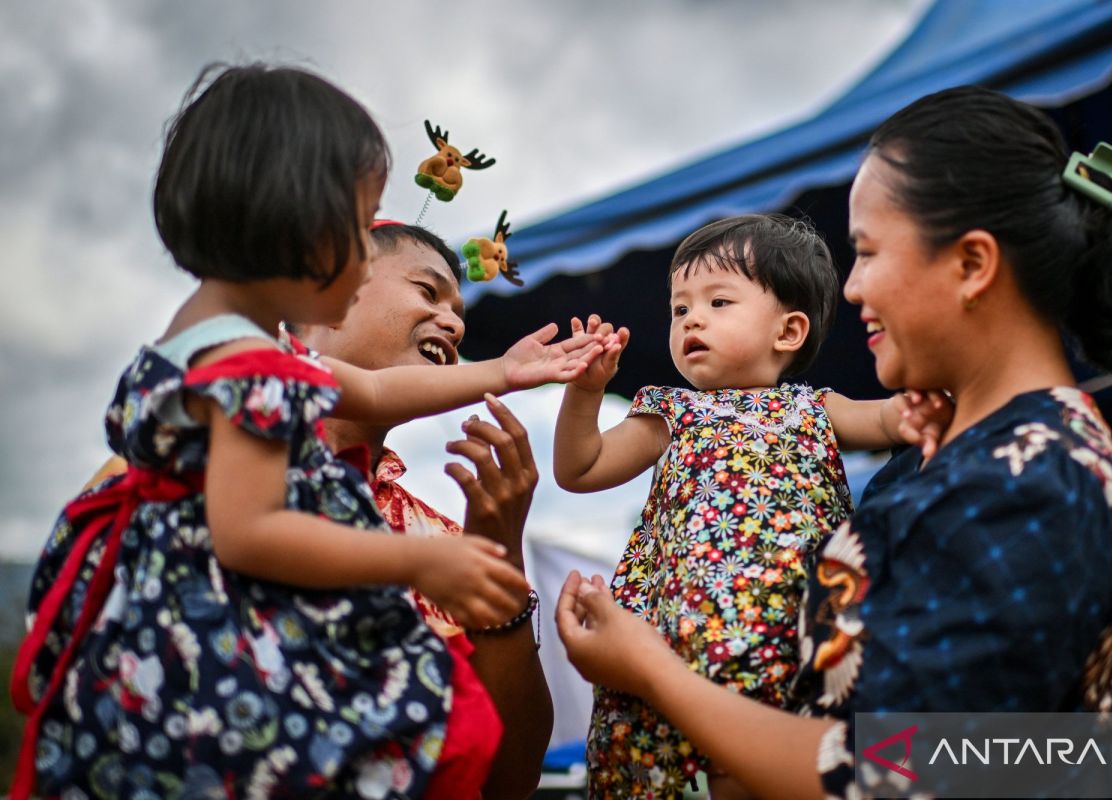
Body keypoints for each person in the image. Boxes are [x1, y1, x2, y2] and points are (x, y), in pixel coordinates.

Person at [555, 85, 1112, 800]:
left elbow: (929, 769)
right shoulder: (981, 458)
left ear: (972, 264)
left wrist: (653, 674)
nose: (853, 288)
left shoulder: (1033, 479)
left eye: (866, 253)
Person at [10, 63, 606, 799]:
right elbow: (251, 532)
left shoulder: (215, 355)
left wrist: (502, 372)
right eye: (363, 229)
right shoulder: (254, 374)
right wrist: (416, 567)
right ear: (299, 224)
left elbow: (384, 387)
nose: (455, 321)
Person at [553, 214, 950, 797]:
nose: (692, 319)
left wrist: (929, 402)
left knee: (795, 753)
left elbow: (891, 417)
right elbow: (580, 468)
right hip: (692, 636)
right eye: (679, 308)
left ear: (787, 332)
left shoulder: (816, 408)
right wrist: (584, 394)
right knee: (725, 764)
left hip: (800, 628)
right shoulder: (669, 413)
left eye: (718, 301)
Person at [302, 219, 554, 798]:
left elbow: (511, 778)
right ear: (328, 292)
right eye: (427, 291)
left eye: (458, 310)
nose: (456, 323)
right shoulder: (201, 464)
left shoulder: (438, 545)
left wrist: (499, 557)